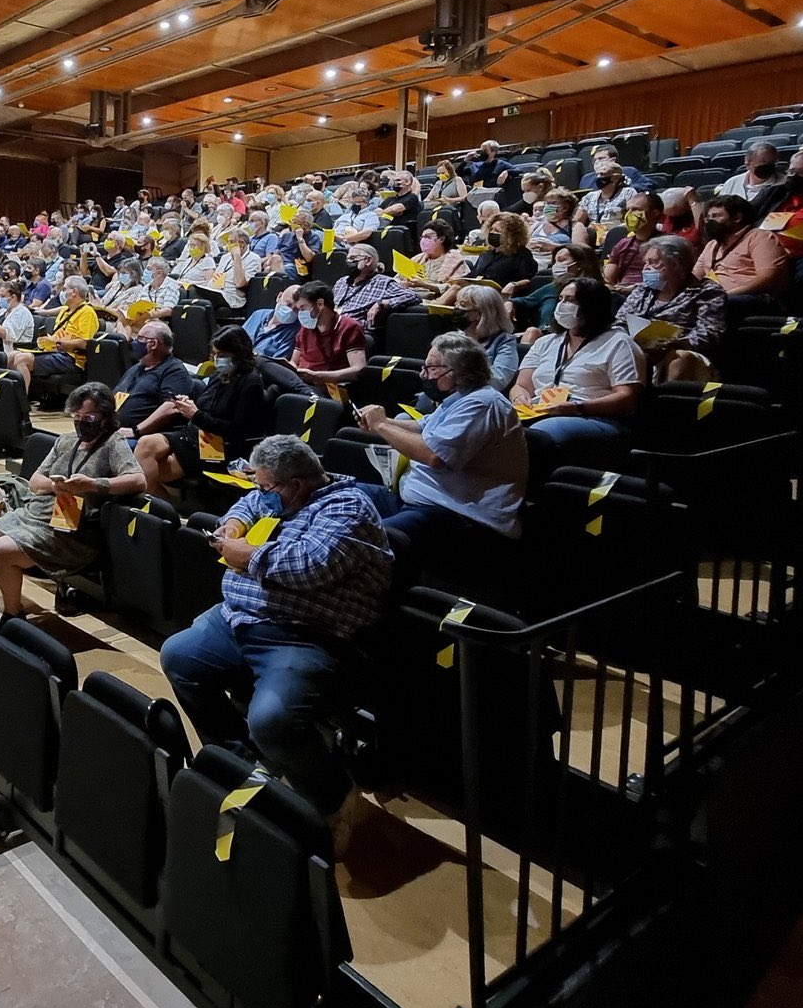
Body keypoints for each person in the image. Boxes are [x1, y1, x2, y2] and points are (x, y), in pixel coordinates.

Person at [159, 435, 392, 849]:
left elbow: (310, 565)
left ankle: (334, 796)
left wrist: (244, 555)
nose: (260, 493)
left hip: (305, 635)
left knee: (272, 720)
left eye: (266, 486)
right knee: (180, 656)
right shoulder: (277, 495)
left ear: (296, 484)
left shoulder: (347, 509)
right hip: (239, 618)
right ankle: (243, 759)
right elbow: (248, 505)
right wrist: (234, 526)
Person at [0, 383, 145, 617]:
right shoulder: (66, 441)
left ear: (105, 417)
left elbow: (139, 480)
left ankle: (12, 614)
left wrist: (94, 484)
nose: (81, 422)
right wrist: (55, 486)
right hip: (37, 514)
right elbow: (35, 481)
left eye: (89, 416)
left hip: (71, 532)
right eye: (77, 416)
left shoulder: (113, 444)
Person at [356, 333, 527, 550]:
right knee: (334, 491)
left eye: (431, 368)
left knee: (365, 540)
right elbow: (421, 426)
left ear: (457, 372)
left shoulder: (483, 404)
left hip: (457, 513)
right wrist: (380, 423)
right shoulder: (459, 399)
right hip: (420, 499)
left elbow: (434, 456)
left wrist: (382, 425)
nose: (423, 374)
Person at [510, 275, 646, 477]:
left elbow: (627, 398)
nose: (562, 305)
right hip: (541, 410)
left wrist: (577, 408)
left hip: (594, 416)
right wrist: (519, 398)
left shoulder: (619, 343)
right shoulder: (546, 342)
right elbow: (521, 385)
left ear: (591, 305)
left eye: (571, 300)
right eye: (561, 299)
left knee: (537, 435)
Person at [130, 326, 272, 497]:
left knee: (144, 472)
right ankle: (162, 509)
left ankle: (160, 512)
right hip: (193, 435)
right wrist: (187, 405)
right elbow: (204, 408)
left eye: (222, 355)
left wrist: (196, 415)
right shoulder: (218, 376)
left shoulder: (251, 382)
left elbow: (237, 431)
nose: (217, 359)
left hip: (218, 447)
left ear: (238, 354)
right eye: (215, 354)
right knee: (146, 444)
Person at [617, 235, 726, 381]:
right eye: (645, 263)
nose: (645, 268)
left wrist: (670, 343)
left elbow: (710, 334)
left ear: (675, 264)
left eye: (652, 262)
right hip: (637, 349)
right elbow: (619, 322)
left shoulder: (707, 292)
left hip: (683, 351)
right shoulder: (643, 290)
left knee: (679, 358)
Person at [695, 193, 790, 322]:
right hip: (718, 298)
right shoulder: (712, 245)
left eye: (716, 216)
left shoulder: (759, 237)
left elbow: (768, 278)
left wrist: (726, 295)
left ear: (737, 217)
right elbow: (694, 277)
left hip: (754, 298)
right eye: (708, 217)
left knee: (713, 305)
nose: (710, 221)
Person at [106, 319, 196, 436]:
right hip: (113, 431)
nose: (134, 342)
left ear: (153, 344)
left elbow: (172, 407)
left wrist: (135, 430)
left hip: (141, 436)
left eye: (140, 338)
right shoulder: (137, 368)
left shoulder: (174, 370)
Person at [10, 275, 99, 390]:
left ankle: (21, 403)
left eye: (64, 289)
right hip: (54, 351)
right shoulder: (64, 310)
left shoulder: (87, 312)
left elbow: (85, 343)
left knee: (22, 359)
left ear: (74, 292)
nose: (61, 292)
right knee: (12, 355)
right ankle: (11, 396)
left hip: (71, 357)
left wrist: (60, 343)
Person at [292, 280, 369, 390]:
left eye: (303, 307)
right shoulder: (305, 329)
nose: (300, 313)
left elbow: (359, 369)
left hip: (328, 387)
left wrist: (319, 377)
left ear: (320, 304)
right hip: (299, 382)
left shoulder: (350, 327)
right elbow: (294, 362)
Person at [330, 243, 419, 336]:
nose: (348, 262)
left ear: (368, 260)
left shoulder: (383, 282)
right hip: (332, 326)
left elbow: (413, 296)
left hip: (356, 332)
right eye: (347, 259)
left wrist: (381, 303)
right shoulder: (341, 282)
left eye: (352, 258)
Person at [452, 284, 521, 391]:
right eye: (456, 303)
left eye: (463, 305)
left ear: (480, 314)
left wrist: (457, 382)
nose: (456, 308)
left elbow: (499, 379)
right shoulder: (455, 337)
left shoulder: (504, 341)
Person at [456, 211, 536, 290]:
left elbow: (528, 280)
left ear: (511, 235)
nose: (492, 232)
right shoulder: (486, 253)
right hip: (478, 291)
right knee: (455, 287)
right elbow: (474, 275)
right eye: (491, 229)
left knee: (455, 289)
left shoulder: (522, 254)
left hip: (501, 294)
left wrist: (514, 285)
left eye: (497, 231)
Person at [603, 192, 659, 286]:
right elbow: (609, 278)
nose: (629, 214)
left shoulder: (667, 244)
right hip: (621, 293)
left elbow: (664, 281)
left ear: (655, 213)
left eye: (636, 210)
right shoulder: (623, 244)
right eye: (628, 210)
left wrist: (632, 289)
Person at [245, 283, 303, 360]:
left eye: (296, 309)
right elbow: (236, 339)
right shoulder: (258, 314)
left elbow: (275, 364)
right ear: (279, 297)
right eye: (288, 304)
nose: (290, 311)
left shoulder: (295, 331)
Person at [718, 140, 785, 202]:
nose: (768, 165)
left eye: (772, 161)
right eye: (763, 162)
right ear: (748, 164)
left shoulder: (783, 184)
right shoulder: (732, 183)